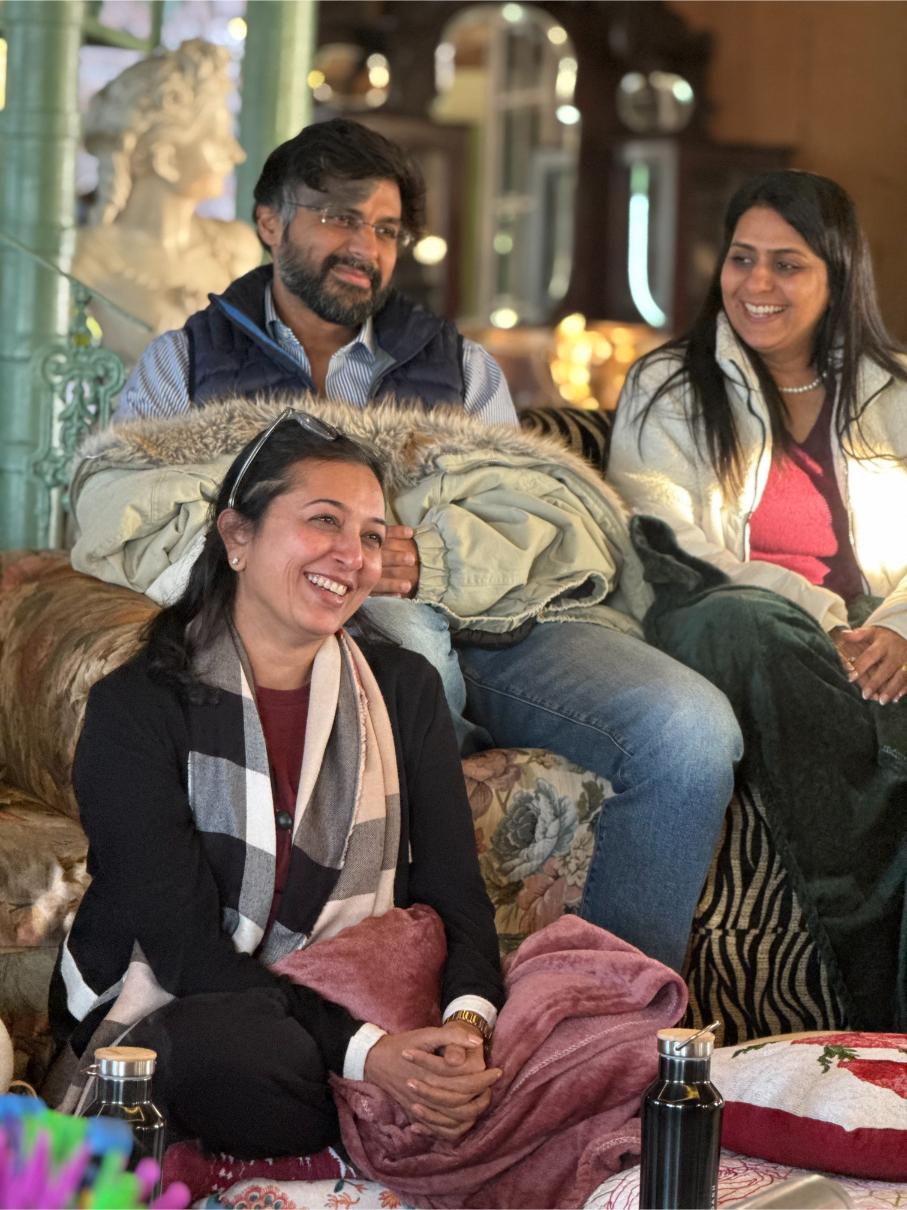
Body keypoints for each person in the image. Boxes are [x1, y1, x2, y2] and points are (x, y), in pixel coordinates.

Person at [89, 117, 742, 975]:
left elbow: (535, 512)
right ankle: (385, 995)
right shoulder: (184, 364)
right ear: (270, 222)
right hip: (340, 627)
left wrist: (432, 557)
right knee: (410, 654)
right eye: (337, 217)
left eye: (386, 229)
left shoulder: (459, 366)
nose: (364, 247)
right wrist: (331, 557)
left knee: (691, 730)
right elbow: (128, 508)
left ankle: (601, 1004)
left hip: (503, 622)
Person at [50, 414, 506, 1156]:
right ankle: (369, 1125)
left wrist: (463, 1031)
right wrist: (368, 1054)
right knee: (218, 1050)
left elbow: (456, 895)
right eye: (323, 520)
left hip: (373, 998)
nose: (351, 556)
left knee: (575, 1024)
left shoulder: (403, 689)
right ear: (237, 536)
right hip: (189, 1003)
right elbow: (186, 956)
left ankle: (393, 1115)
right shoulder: (134, 708)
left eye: (371, 536)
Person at [609, 169, 907, 1029]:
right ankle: (871, 1002)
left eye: (787, 263)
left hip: (866, 634)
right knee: (752, 627)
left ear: (837, 275)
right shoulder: (669, 383)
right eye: (742, 259)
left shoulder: (892, 389)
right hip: (716, 612)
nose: (756, 283)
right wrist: (823, 617)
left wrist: (896, 628)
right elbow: (664, 536)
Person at [74, 39, 261, 366]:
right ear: (166, 159)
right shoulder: (86, 257)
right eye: (218, 138)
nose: (236, 153)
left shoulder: (236, 248)